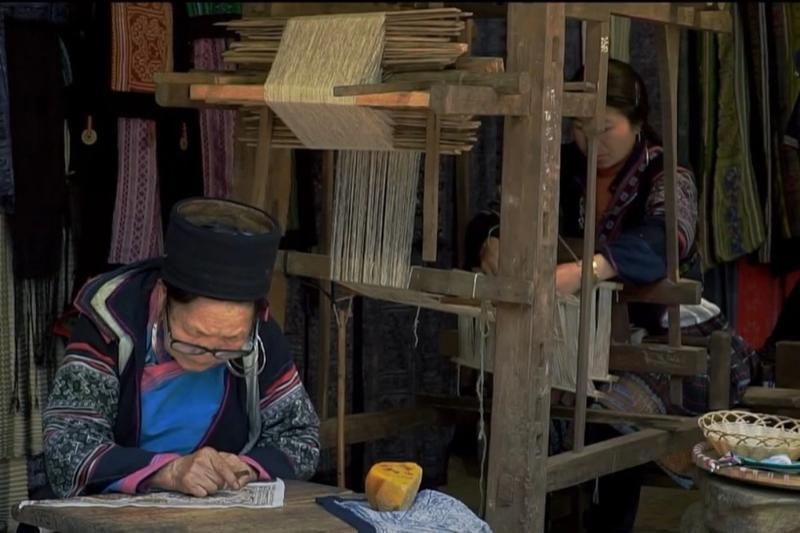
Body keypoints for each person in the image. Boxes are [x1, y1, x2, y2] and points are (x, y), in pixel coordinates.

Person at [465, 59, 759, 532]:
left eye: (606, 128)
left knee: (608, 419)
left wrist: (589, 270)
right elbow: (494, 213)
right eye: (581, 127)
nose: (592, 142)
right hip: (573, 335)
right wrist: (491, 241)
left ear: (637, 121)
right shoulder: (558, 166)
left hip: (659, 337)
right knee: (520, 408)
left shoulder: (666, 173)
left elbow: (669, 239)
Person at [41, 197, 320, 499]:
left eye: (228, 344)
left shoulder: (258, 336)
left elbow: (301, 437)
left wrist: (244, 467)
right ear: (163, 297)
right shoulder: (111, 322)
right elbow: (66, 449)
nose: (209, 357)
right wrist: (169, 471)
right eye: (194, 337)